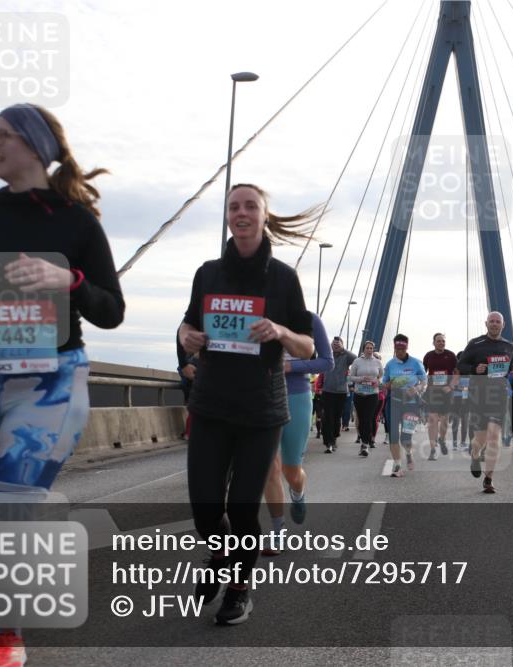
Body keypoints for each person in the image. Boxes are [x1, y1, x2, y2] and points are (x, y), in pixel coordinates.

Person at [0, 104, 125, 664]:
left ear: (34, 146)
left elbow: (111, 311)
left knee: (9, 509)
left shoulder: (77, 221)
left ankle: (7, 630)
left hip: (48, 381)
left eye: (1, 136)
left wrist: (69, 279)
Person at [178, 183, 314, 626]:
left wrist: (280, 331)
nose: (241, 212)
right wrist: (187, 336)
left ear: (263, 216)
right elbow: (186, 325)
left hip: (260, 411)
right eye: (234, 206)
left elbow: (307, 345)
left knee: (241, 509)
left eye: (250, 206)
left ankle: (239, 588)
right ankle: (219, 557)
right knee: (205, 509)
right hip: (211, 405)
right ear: (227, 216)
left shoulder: (283, 278)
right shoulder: (207, 274)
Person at [261, 312, 333, 556]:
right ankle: (278, 531)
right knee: (270, 468)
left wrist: (290, 366)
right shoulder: (255, 315)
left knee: (292, 470)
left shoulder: (308, 320)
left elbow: (327, 362)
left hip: (296, 396)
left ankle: (298, 493)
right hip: (262, 397)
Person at [457, 311, 513, 494]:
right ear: (486, 323)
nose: (494, 324)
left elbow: (511, 366)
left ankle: (488, 478)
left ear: (503, 325)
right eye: (492, 321)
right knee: (481, 438)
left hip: (498, 396)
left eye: (498, 321)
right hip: (478, 396)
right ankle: (475, 455)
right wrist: (475, 368)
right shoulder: (475, 343)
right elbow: (460, 365)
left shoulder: (508, 346)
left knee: (494, 436)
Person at [381, 333, 426, 476]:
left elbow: (424, 381)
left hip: (411, 404)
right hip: (394, 402)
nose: (399, 352)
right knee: (393, 435)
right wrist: (387, 385)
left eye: (402, 349)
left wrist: (417, 388)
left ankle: (408, 453)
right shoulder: (390, 364)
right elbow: (384, 383)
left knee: (406, 437)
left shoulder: (416, 363)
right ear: (394, 348)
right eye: (397, 349)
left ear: (407, 347)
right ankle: (397, 465)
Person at [422, 333, 458, 459]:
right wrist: (420, 385)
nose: (441, 343)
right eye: (438, 341)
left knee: (444, 420)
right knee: (432, 419)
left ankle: (442, 439)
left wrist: (451, 386)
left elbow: (457, 373)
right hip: (432, 392)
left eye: (443, 341)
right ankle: (433, 449)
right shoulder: (428, 356)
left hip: (447, 392)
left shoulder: (451, 355)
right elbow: (422, 373)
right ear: (433, 343)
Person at [320, 336, 355, 453]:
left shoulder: (346, 356)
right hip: (327, 390)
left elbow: (356, 359)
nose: (335, 346)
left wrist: (343, 349)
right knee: (327, 417)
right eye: (334, 344)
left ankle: (334, 438)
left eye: (338, 344)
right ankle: (328, 442)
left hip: (341, 392)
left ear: (342, 345)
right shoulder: (327, 355)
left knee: (336, 417)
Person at [349, 340, 383, 456]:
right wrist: (361, 379)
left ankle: (365, 444)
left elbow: (381, 376)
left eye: (371, 348)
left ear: (373, 350)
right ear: (363, 349)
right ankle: (363, 440)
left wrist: (377, 381)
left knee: (368, 418)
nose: (369, 350)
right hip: (359, 394)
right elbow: (351, 377)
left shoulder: (377, 362)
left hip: (372, 394)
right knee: (361, 419)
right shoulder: (357, 361)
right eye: (367, 348)